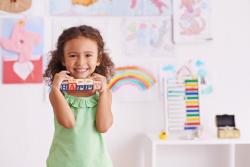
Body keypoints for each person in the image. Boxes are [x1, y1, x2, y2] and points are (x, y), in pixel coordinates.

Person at [44, 25, 115, 167]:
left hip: (97, 163)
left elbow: (103, 126)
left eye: (88, 55)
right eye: (72, 55)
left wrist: (103, 92)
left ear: (98, 58)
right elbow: (68, 123)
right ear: (63, 59)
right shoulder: (57, 93)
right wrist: (56, 90)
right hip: (63, 162)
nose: (81, 62)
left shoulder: (104, 93)